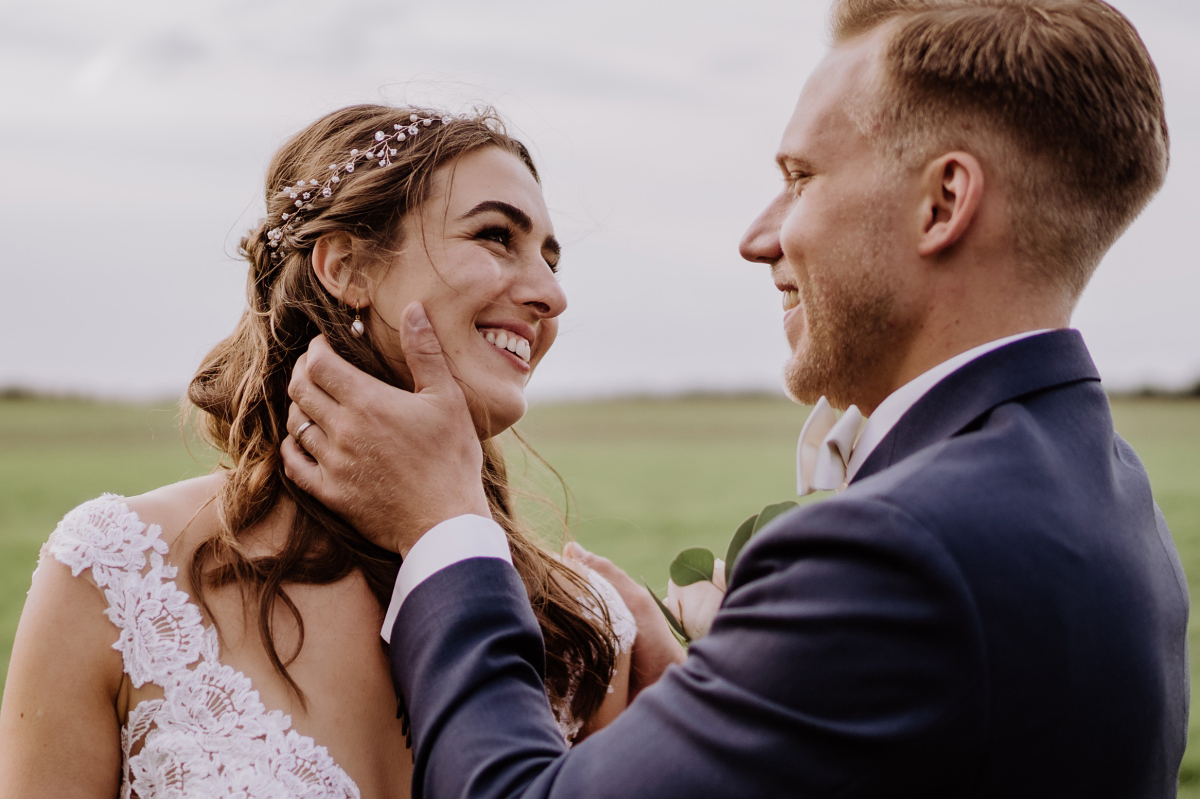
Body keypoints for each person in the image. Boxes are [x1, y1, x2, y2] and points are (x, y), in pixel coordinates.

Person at [279, 0, 1189, 797]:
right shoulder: (1108, 489)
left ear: (943, 201)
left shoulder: (900, 551)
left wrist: (445, 526)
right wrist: (720, 696)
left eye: (799, 177)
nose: (759, 237)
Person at [0, 104, 636, 798]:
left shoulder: (583, 630)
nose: (551, 294)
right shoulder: (119, 574)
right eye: (495, 236)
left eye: (550, 257)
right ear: (346, 265)